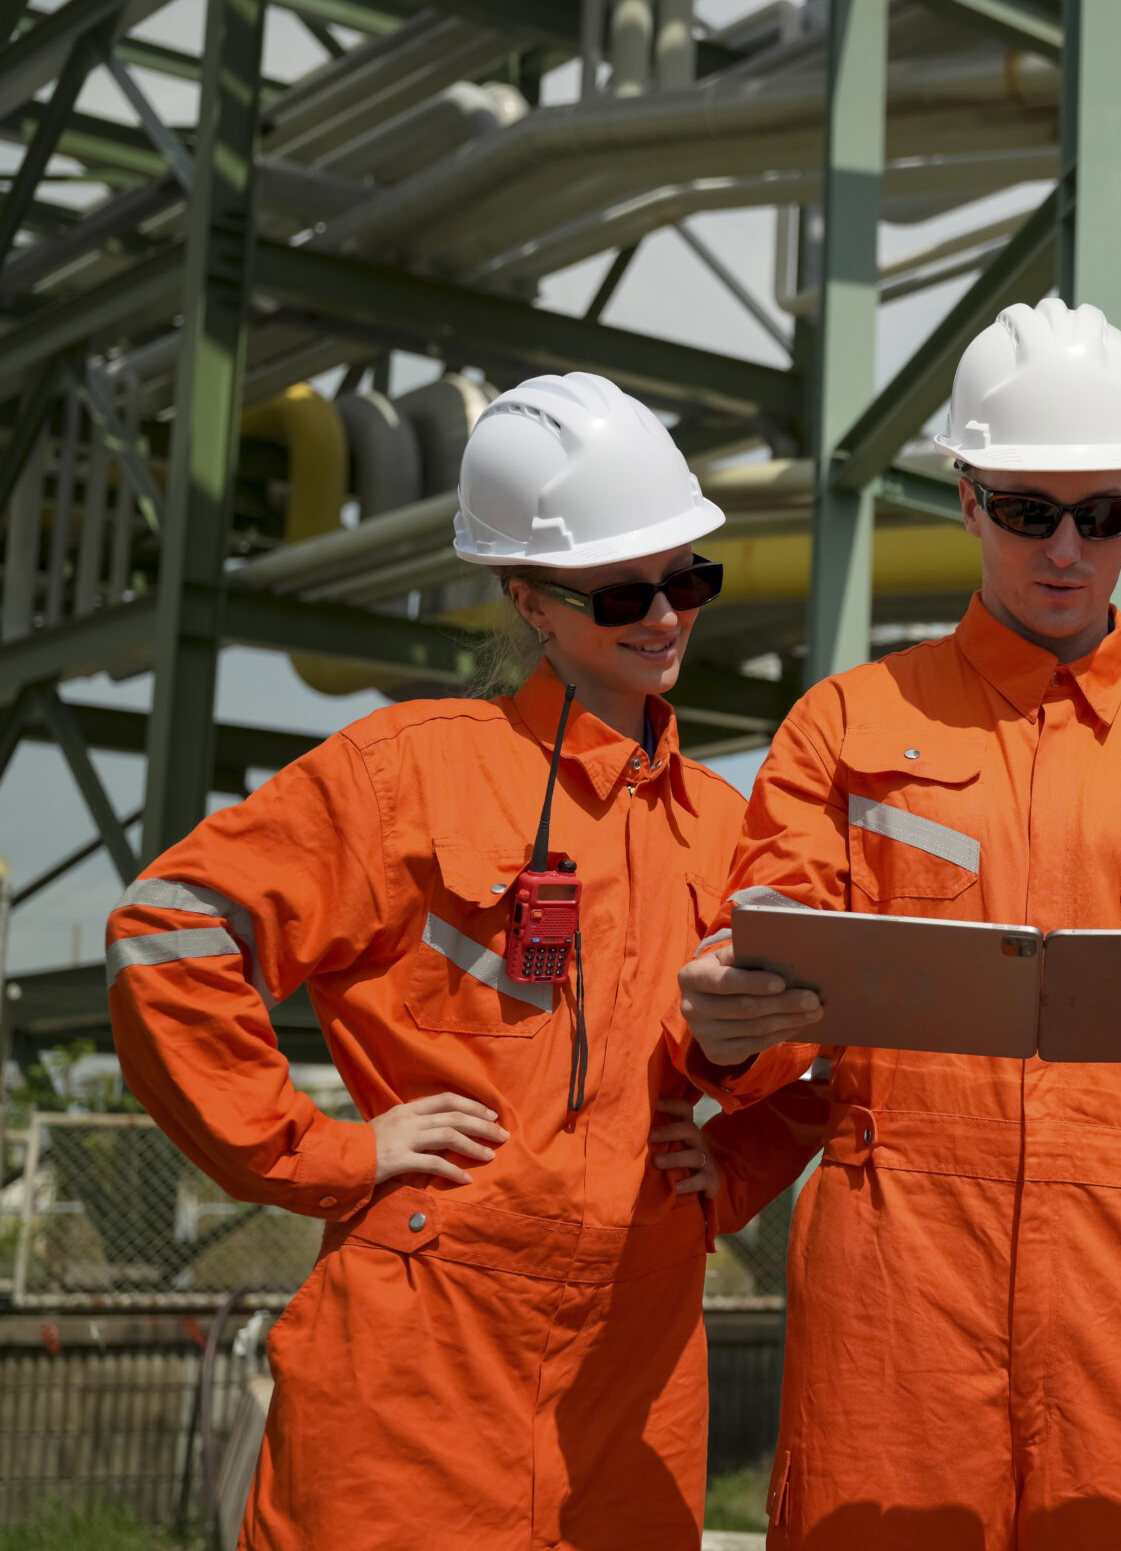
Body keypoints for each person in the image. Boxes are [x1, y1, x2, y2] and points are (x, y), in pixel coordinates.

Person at [675, 297, 1121, 1550]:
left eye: (1105, 516)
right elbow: (776, 1011)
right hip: (898, 1282)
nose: (1068, 550)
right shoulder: (844, 729)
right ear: (966, 499)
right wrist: (734, 1028)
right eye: (1029, 513)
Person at [105, 372, 747, 1551]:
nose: (663, 615)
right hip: (425, 1353)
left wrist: (737, 1161)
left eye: (687, 579)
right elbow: (172, 929)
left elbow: (824, 1036)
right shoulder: (408, 774)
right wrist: (320, 1151)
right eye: (620, 590)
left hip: (638, 1365)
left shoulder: (723, 823)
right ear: (530, 602)